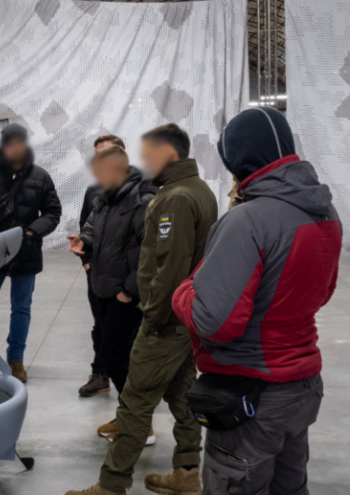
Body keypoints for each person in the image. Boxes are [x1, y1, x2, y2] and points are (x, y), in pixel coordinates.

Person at [172, 108, 342, 495]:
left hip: (252, 397)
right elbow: (324, 291)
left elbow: (217, 321)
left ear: (238, 158)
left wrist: (182, 293)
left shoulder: (247, 221)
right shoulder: (325, 211)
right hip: (302, 387)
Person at [68, 123, 217, 495]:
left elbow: (168, 268)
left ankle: (112, 484)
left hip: (166, 321)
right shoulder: (197, 190)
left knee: (134, 402)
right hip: (185, 317)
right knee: (183, 395)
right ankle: (186, 471)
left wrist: (151, 317)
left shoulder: (174, 199)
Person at [0, 122, 62, 384]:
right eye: (11, 143)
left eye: (21, 142)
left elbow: (53, 212)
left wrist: (31, 233)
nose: (16, 148)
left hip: (26, 253)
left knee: (21, 309)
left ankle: (15, 360)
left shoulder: (40, 177)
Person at [68, 145, 155, 413]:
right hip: (104, 287)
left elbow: (149, 251)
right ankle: (131, 417)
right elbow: (93, 227)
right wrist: (85, 241)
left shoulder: (144, 200)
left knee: (115, 356)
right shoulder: (105, 197)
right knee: (115, 354)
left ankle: (137, 419)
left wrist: (128, 291)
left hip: (126, 294)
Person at [78, 134, 127, 398]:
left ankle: (130, 384)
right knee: (100, 325)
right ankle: (101, 375)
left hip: (124, 277)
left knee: (125, 329)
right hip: (97, 274)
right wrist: (86, 262)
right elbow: (86, 228)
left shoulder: (140, 192)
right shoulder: (94, 191)